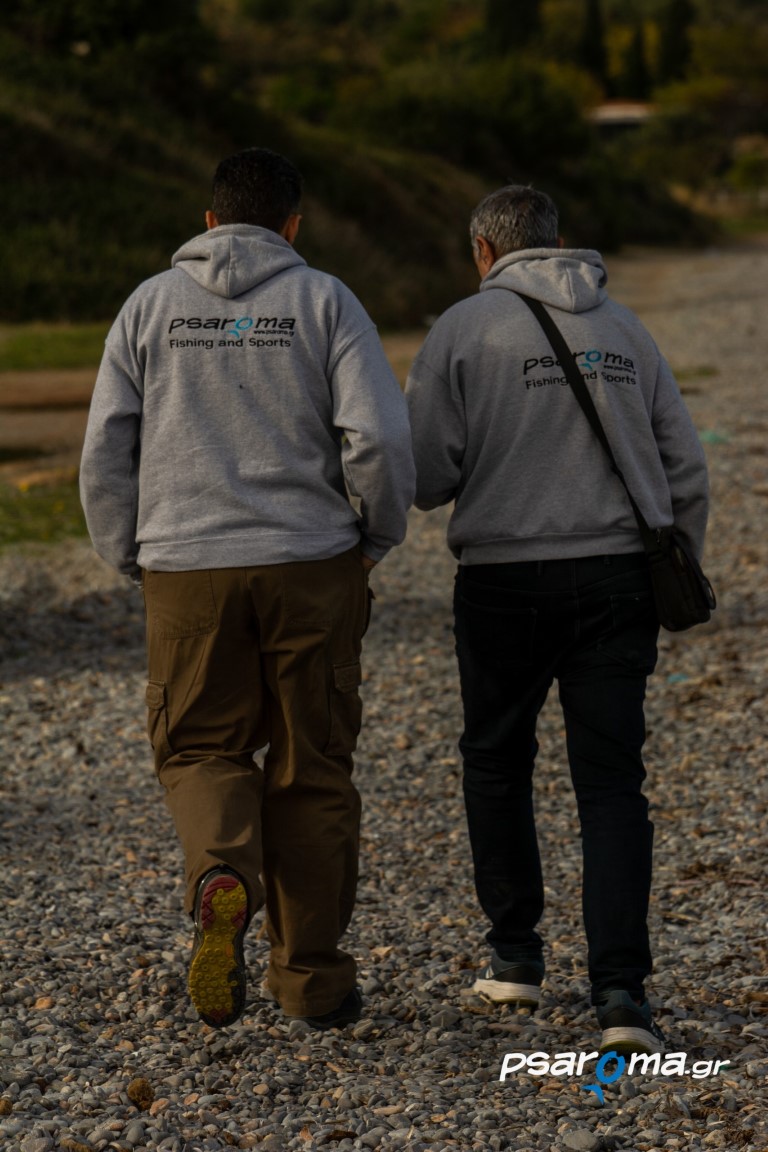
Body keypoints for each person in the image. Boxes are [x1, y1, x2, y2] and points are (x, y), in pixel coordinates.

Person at [80, 147, 415, 1031]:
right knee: (312, 768)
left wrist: (132, 556)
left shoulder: (149, 304)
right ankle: (312, 983)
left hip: (186, 567)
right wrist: (375, 537)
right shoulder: (325, 299)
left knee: (200, 749)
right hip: (312, 563)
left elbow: (106, 450)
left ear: (208, 221)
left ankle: (222, 874)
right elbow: (379, 438)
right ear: (292, 225)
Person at [405, 185, 709, 1056]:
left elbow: (426, 474)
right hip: (618, 579)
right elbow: (685, 465)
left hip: (502, 581)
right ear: (559, 242)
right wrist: (682, 558)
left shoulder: (462, 329)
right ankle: (621, 995)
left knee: (497, 761)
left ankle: (515, 959)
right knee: (611, 783)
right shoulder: (624, 328)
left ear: (483, 252)